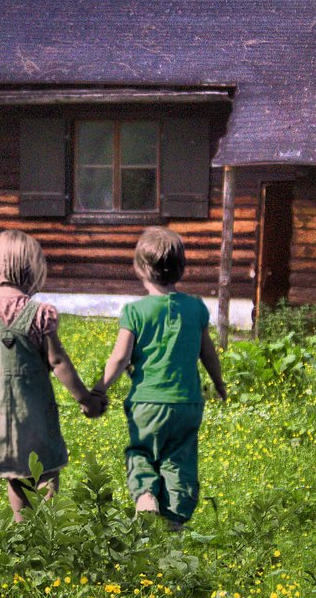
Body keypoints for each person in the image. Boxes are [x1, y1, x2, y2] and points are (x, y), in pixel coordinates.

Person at [0, 230, 106, 520]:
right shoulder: (40, 314)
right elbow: (57, 361)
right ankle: (49, 527)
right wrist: (85, 398)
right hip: (37, 413)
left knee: (16, 476)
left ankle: (23, 531)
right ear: (33, 270)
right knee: (47, 470)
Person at [92, 227, 226, 531]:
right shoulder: (196, 308)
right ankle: (175, 519)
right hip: (188, 402)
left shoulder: (135, 311)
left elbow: (120, 358)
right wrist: (218, 383)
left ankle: (146, 495)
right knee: (179, 458)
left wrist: (99, 388)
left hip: (147, 403)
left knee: (142, 451)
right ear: (182, 268)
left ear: (140, 268)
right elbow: (209, 354)